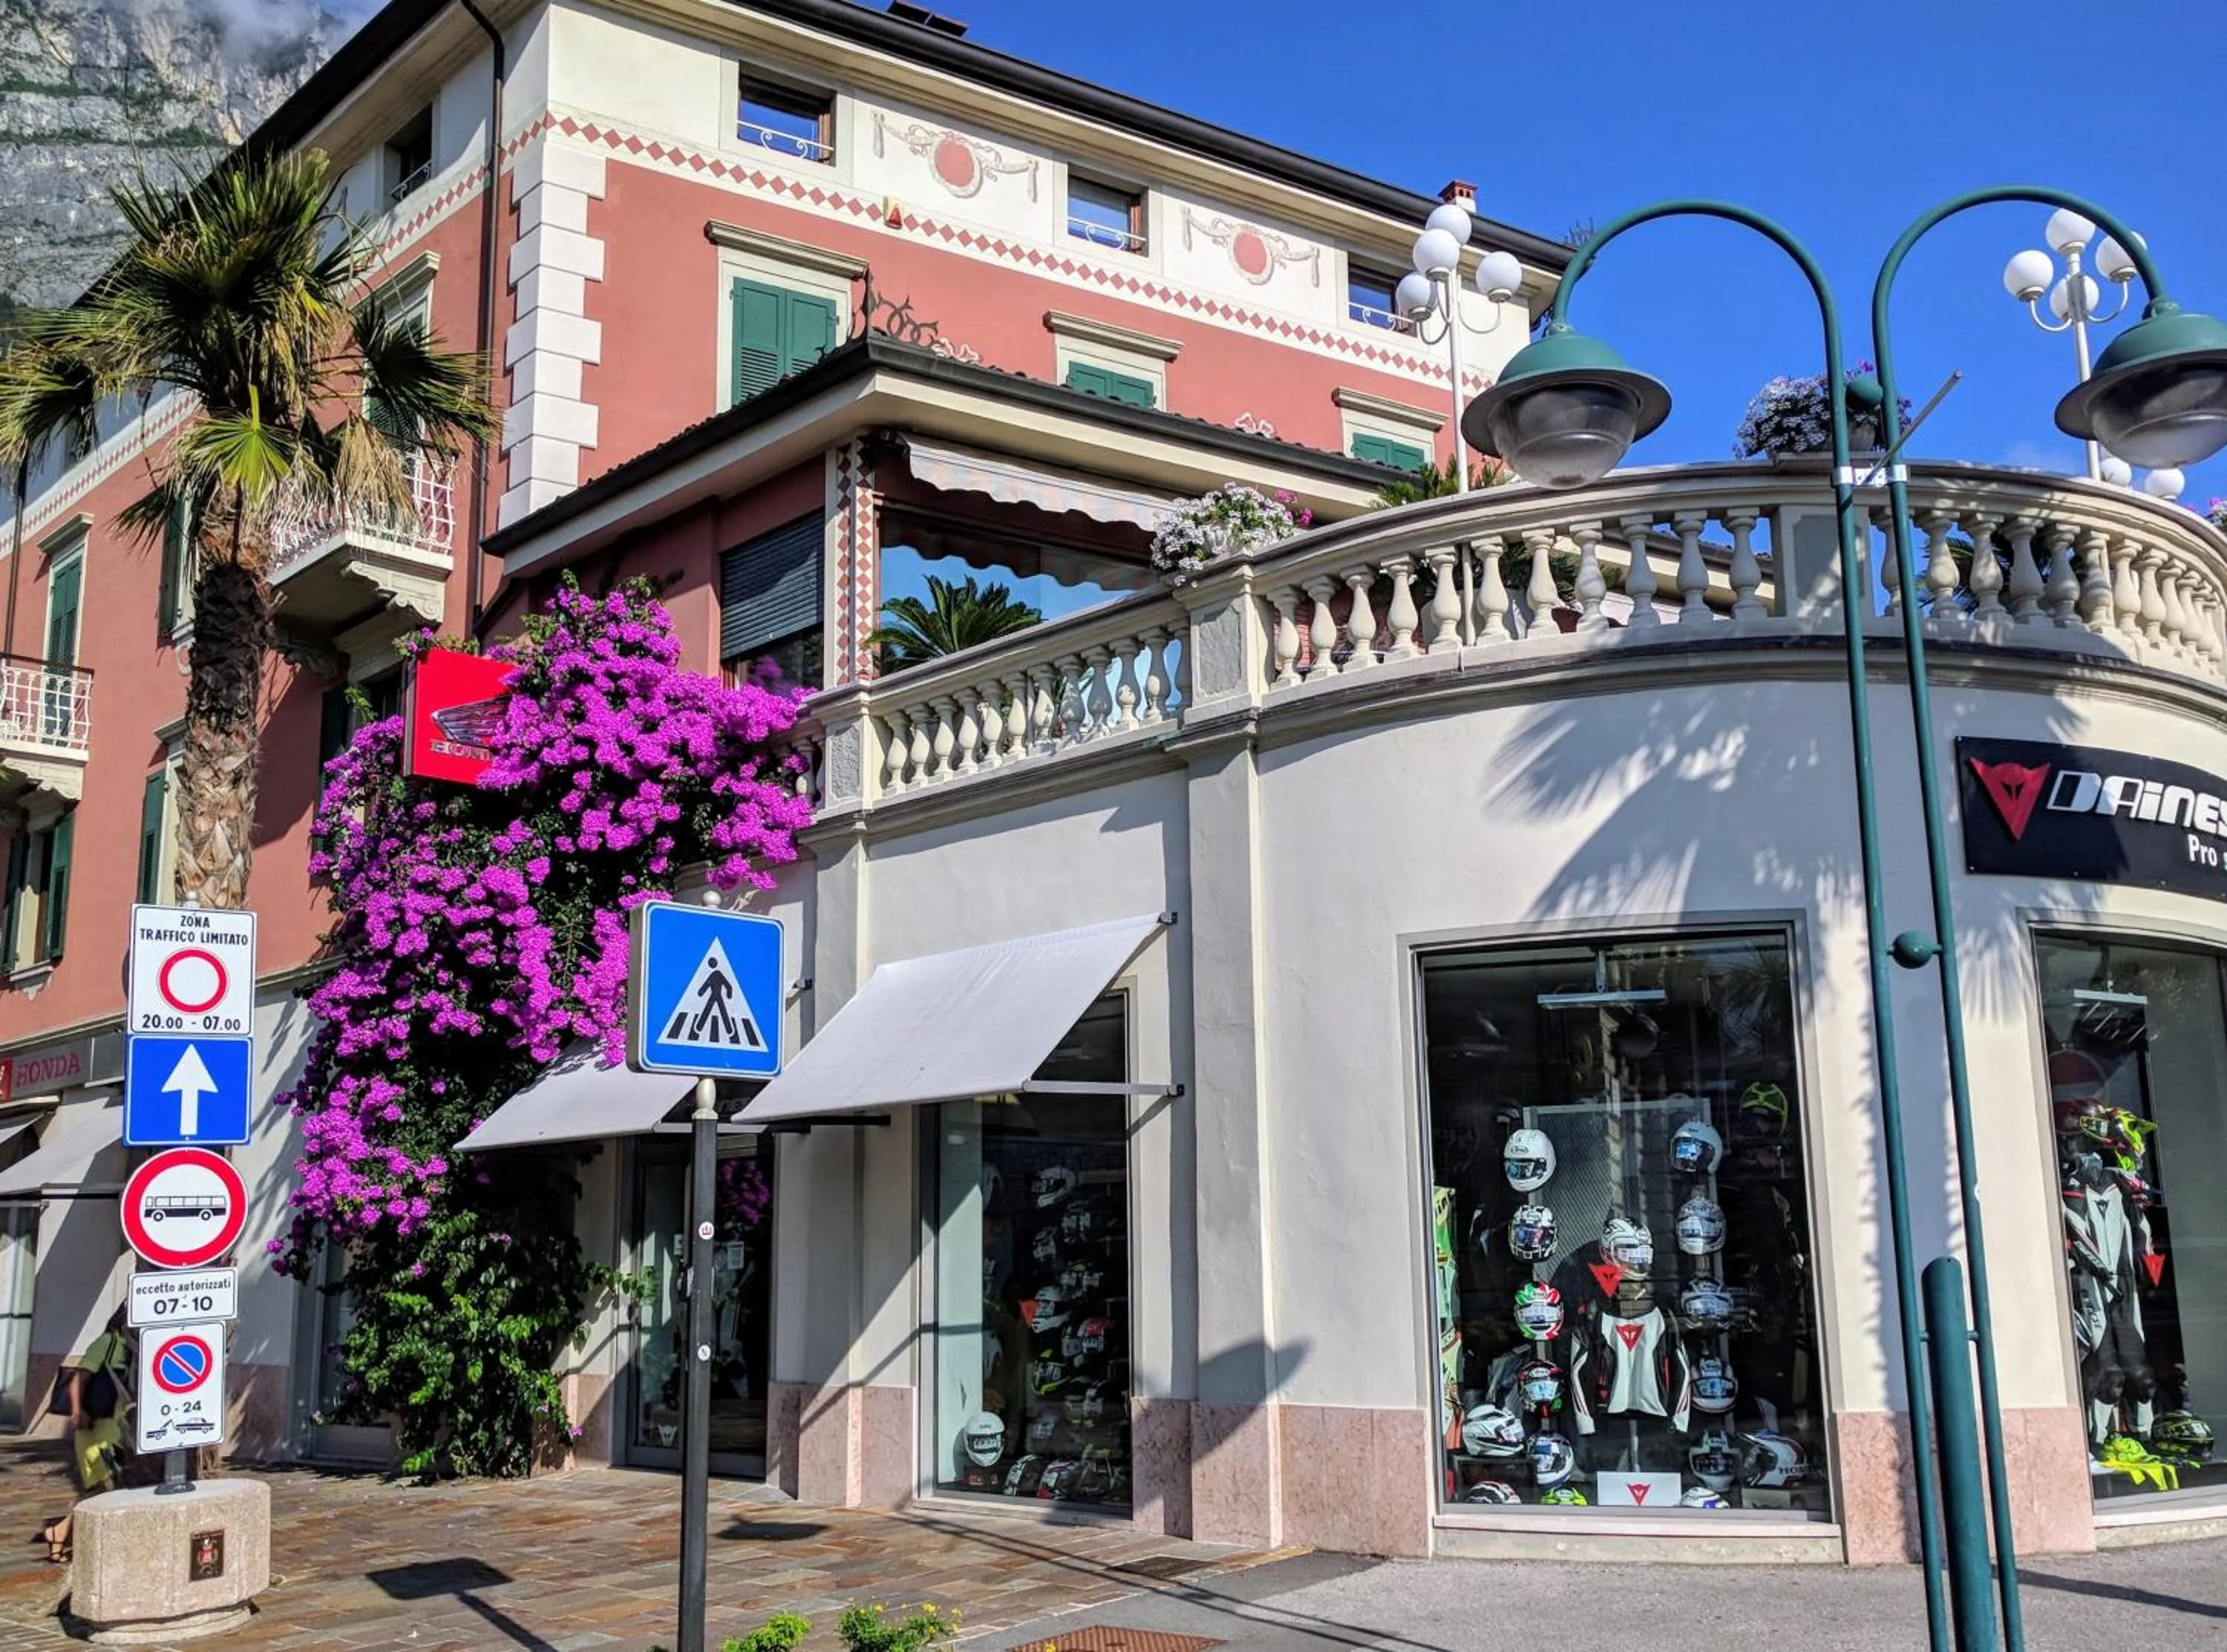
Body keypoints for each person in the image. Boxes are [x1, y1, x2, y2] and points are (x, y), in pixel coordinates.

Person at [38, 1306, 131, 1563]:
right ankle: (66, 1534)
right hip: (96, 1429)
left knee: (104, 1490)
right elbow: (80, 1377)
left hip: (119, 1428)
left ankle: (60, 1533)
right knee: (107, 1488)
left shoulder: (137, 1347)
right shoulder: (108, 1342)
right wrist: (78, 1411)